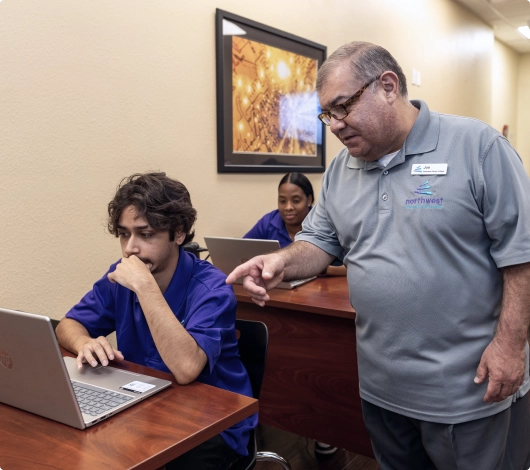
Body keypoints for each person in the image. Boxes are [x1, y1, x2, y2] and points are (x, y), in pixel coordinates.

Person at [226, 41, 530, 469]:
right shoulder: (340, 169)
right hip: (381, 391)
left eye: (342, 107)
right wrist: (280, 261)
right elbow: (317, 243)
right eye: (327, 114)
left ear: (388, 86)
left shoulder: (476, 148)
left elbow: (522, 256)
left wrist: (510, 347)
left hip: (469, 391)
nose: (334, 125)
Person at [56, 172, 257, 470]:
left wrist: (145, 287)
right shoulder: (122, 274)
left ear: (178, 233)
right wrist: (85, 342)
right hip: (146, 405)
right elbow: (67, 325)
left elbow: (186, 369)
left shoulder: (212, 287)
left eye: (145, 234)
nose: (130, 248)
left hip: (213, 423)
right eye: (125, 233)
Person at [244, 172, 346, 278]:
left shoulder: (325, 221)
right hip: (281, 288)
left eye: (296, 201)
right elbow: (242, 251)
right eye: (282, 201)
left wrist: (324, 269)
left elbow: (355, 266)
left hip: (325, 289)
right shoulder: (269, 222)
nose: (288, 207)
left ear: (309, 200)